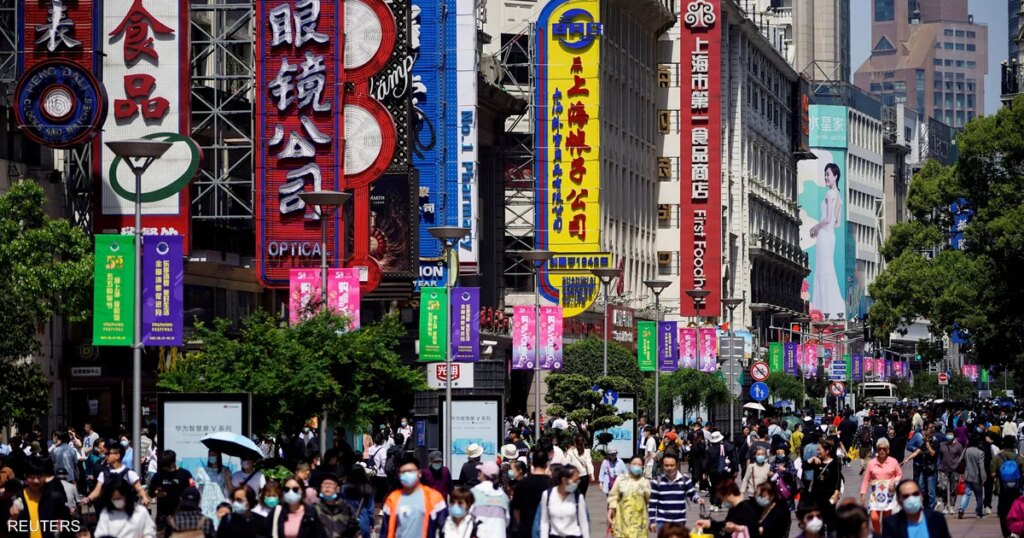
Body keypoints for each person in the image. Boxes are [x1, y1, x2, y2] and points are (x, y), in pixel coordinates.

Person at [809, 162, 844, 316]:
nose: (826, 177)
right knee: (828, 269)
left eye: (828, 174)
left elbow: (828, 218)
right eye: (825, 174)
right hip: (831, 236)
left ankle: (823, 308)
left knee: (822, 270)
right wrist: (826, 228)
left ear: (835, 176)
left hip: (824, 236)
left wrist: (816, 228)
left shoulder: (830, 194)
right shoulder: (839, 196)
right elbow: (837, 223)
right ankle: (831, 308)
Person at [380, 456, 448, 537]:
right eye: (403, 472)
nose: (407, 474)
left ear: (419, 473)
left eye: (410, 471)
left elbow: (445, 528)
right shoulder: (392, 499)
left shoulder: (434, 497)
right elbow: (385, 530)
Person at [81, 440, 149, 508]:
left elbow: (139, 488)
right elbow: (97, 490)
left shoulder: (129, 473)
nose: (106, 456)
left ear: (117, 455)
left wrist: (144, 497)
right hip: (109, 510)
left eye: (109, 453)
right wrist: (88, 499)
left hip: (125, 511)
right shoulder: (103, 474)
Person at [648, 452, 704, 532]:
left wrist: (698, 499)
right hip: (662, 522)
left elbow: (692, 494)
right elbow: (652, 503)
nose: (669, 468)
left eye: (672, 465)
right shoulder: (657, 482)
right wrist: (652, 521)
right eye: (666, 465)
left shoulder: (684, 479)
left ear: (677, 465)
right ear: (662, 466)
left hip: (679, 522)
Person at [881, 478, 951, 538]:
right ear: (899, 500)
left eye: (915, 494)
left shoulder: (937, 519)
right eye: (906, 496)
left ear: (921, 496)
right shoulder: (891, 524)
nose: (911, 498)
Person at [693, 478, 761, 538]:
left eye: (722, 498)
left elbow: (752, 530)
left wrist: (736, 528)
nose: (723, 501)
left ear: (728, 494)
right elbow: (727, 525)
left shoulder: (746, 509)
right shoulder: (734, 509)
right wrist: (710, 524)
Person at [861, 437, 902, 535]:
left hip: (889, 495)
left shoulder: (893, 461)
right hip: (875, 496)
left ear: (888, 450)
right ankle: (878, 534)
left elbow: (899, 474)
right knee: (874, 518)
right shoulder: (872, 463)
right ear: (877, 450)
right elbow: (866, 479)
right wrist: (862, 493)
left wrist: (894, 482)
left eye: (884, 449)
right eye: (879, 449)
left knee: (886, 519)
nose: (882, 451)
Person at [149, 449, 194, 533]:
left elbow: (193, 492)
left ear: (173, 462)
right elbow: (150, 492)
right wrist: (157, 493)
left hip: (180, 515)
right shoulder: (158, 475)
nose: (164, 468)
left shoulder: (185, 474)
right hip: (163, 516)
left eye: (166, 465)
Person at [538, 465, 589, 538]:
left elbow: (584, 523)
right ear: (564, 480)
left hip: (574, 535)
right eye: (575, 481)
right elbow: (544, 522)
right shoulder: (547, 495)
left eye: (578, 481)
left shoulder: (578, 497)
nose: (577, 483)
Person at [607, 455, 651, 538]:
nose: (636, 466)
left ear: (642, 466)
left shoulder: (645, 482)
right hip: (622, 520)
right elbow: (613, 496)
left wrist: (652, 519)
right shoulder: (621, 479)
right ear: (629, 464)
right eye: (634, 464)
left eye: (639, 464)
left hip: (639, 522)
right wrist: (610, 512)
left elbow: (649, 501)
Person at [511, 448, 551, 538]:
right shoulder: (552, 483)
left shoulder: (521, 484)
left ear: (532, 463)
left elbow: (516, 509)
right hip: (546, 530)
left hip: (525, 530)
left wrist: (521, 525)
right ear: (547, 464)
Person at [805, 438, 843, 527]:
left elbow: (838, 479)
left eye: (819, 450)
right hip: (816, 496)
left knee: (830, 521)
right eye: (817, 450)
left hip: (829, 496)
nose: (817, 452)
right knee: (818, 522)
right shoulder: (817, 461)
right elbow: (805, 467)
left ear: (827, 451)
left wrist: (836, 493)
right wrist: (812, 458)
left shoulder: (835, 463)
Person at [993, 434, 1024, 538]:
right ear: (1014, 445)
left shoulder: (997, 458)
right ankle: (1015, 532)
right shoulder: (1019, 458)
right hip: (1016, 490)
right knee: (1017, 511)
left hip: (1002, 490)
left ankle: (1006, 533)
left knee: (1003, 513)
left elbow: (992, 473)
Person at [468, 460, 509, 535]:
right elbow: (507, 521)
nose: (479, 473)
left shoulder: (473, 493)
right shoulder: (503, 496)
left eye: (480, 471)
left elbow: (467, 518)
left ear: (484, 474)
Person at [313, 472, 357, 537]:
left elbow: (355, 532)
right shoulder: (313, 509)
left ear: (338, 489)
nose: (327, 486)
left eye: (330, 484)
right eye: (325, 484)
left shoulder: (347, 509)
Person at [341, 464, 375, 538]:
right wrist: (372, 524)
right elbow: (370, 510)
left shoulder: (343, 488)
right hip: (363, 520)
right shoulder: (367, 488)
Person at [958, 434, 986, 519]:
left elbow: (960, 460)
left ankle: (961, 509)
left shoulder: (966, 450)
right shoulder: (980, 453)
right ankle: (979, 512)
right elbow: (981, 466)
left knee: (967, 493)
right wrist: (984, 477)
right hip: (976, 476)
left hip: (967, 475)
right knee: (979, 495)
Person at [937, 426, 964, 514]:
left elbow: (961, 457)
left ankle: (952, 506)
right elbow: (939, 456)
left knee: (954, 488)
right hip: (943, 469)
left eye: (951, 434)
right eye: (948, 434)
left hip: (954, 470)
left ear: (954, 435)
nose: (949, 435)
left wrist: (959, 467)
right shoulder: (941, 444)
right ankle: (945, 505)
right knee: (943, 488)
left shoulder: (958, 446)